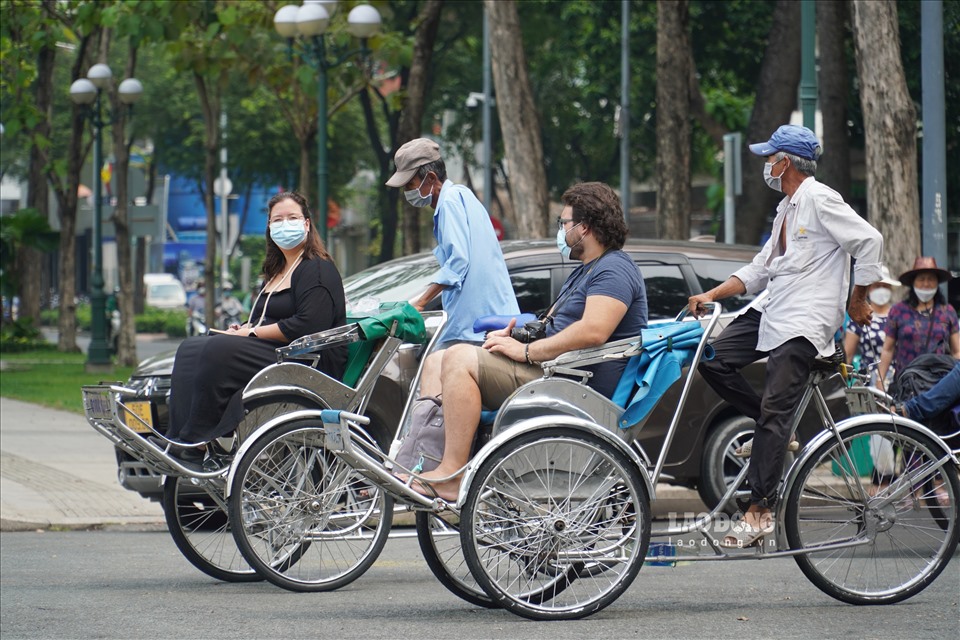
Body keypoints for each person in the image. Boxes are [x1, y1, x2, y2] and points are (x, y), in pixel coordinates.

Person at [688, 124, 883, 548]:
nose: (765, 165)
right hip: (772, 307)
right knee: (712, 357)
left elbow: (870, 241)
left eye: (769, 157)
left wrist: (858, 297)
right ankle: (771, 431)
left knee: (777, 411)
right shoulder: (786, 208)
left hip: (804, 319)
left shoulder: (819, 197)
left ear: (786, 163)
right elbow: (759, 269)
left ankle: (760, 511)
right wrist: (711, 293)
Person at [408, 181, 648, 500]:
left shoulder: (615, 269)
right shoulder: (586, 270)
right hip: (557, 373)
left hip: (574, 385)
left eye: (563, 224)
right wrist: (518, 332)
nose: (561, 232)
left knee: (457, 359)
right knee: (438, 359)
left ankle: (453, 472)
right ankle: (419, 460)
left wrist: (526, 350)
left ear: (585, 227)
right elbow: (558, 325)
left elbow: (593, 331)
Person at [165, 191, 347, 460]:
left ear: (307, 224)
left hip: (306, 359)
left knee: (219, 351)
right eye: (278, 220)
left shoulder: (316, 268)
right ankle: (179, 438)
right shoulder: (276, 270)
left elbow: (307, 324)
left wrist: (251, 333)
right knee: (192, 348)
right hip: (275, 349)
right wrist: (243, 328)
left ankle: (200, 438)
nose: (285, 224)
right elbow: (263, 318)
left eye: (293, 217)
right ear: (270, 227)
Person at [385, 138, 519, 395]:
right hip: (478, 322)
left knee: (432, 387)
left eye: (410, 185)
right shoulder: (461, 196)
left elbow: (458, 261)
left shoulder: (449, 203)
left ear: (431, 178)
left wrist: (422, 301)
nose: (407, 194)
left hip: (476, 326)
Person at [876, 256, 960, 386]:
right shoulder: (898, 311)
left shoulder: (948, 312)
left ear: (937, 283)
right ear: (913, 282)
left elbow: (957, 351)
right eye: (921, 279)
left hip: (938, 386)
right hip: (905, 385)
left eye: (931, 279)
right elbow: (888, 349)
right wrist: (879, 382)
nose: (926, 284)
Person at [844, 265, 901, 385]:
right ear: (869, 288)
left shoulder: (898, 317)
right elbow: (848, 355)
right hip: (868, 380)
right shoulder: (860, 317)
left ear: (890, 289)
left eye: (885, 286)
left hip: (897, 380)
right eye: (877, 286)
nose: (881, 289)